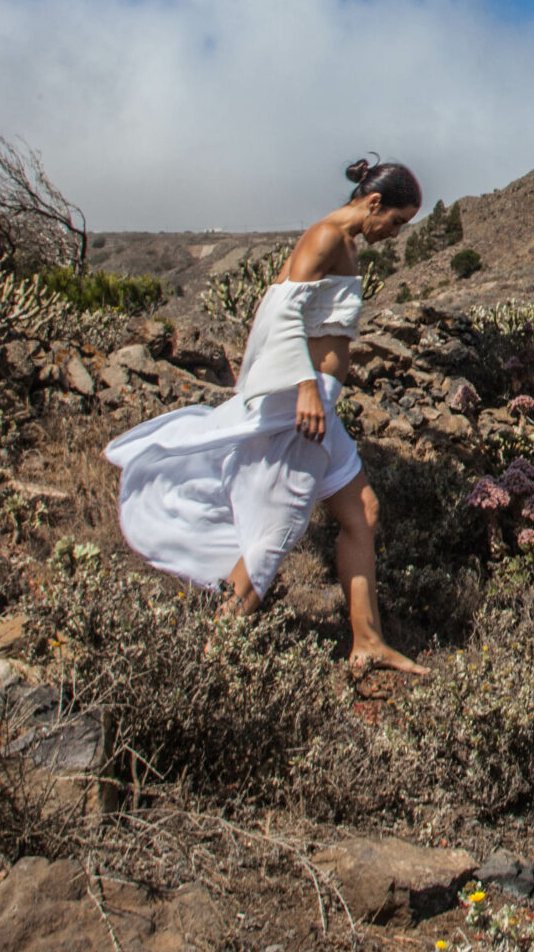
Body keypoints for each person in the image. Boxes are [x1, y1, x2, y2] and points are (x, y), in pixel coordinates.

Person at [106, 157, 429, 674]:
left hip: (319, 401)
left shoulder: (344, 243)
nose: (394, 234)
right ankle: (211, 655)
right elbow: (279, 312)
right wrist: (302, 384)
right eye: (395, 222)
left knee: (363, 511)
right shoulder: (325, 237)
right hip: (301, 405)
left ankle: (367, 639)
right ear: (374, 204)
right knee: (273, 536)